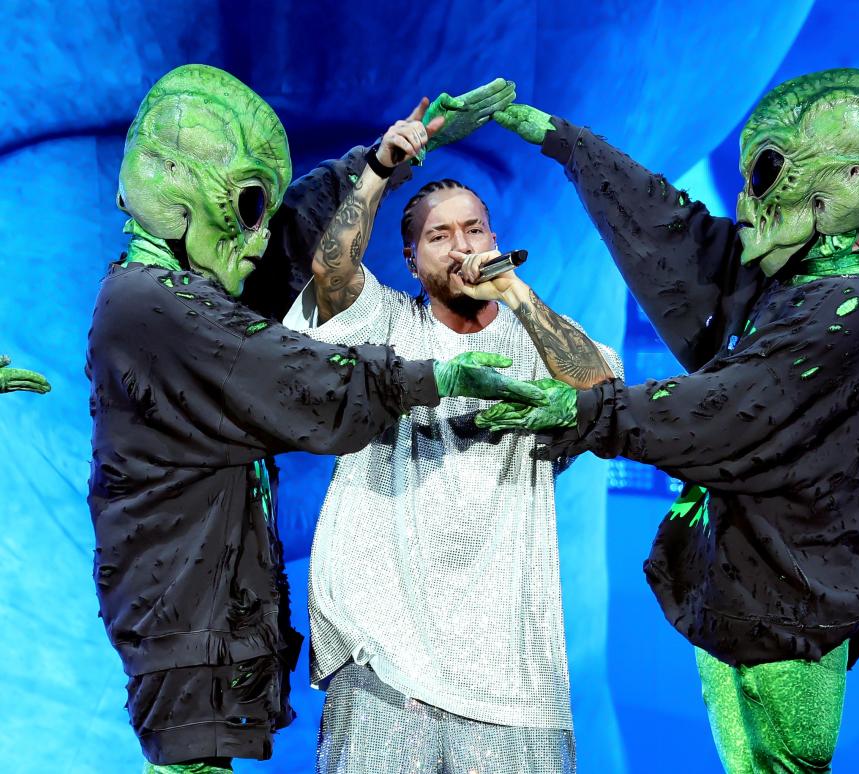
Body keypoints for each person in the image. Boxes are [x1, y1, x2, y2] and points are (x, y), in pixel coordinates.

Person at [87, 64, 543, 774]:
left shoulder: (176, 295)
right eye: (244, 208)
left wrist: (380, 163)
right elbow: (294, 373)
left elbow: (287, 242)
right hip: (185, 621)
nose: (260, 238)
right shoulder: (151, 307)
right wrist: (439, 376)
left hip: (209, 615)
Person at [481, 68, 859, 773]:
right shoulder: (777, 287)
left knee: (784, 761)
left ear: (843, 180)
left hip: (796, 607)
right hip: (729, 587)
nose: (744, 204)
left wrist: (586, 412)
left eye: (767, 173)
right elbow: (673, 229)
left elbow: (730, 405)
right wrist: (566, 143)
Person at [282, 101, 623, 774]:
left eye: (474, 230)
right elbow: (331, 273)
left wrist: (519, 296)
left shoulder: (536, 337)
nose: (462, 245)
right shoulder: (384, 320)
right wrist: (379, 170)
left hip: (510, 680)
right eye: (440, 236)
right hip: (387, 665)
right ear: (411, 260)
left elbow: (596, 389)